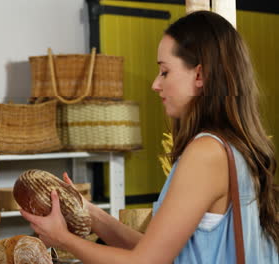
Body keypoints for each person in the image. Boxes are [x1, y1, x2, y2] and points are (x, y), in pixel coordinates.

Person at [20, 10, 279, 263]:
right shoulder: (229, 146)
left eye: (165, 71)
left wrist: (62, 238)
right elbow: (156, 250)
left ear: (200, 75)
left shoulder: (206, 152)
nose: (156, 84)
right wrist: (91, 214)